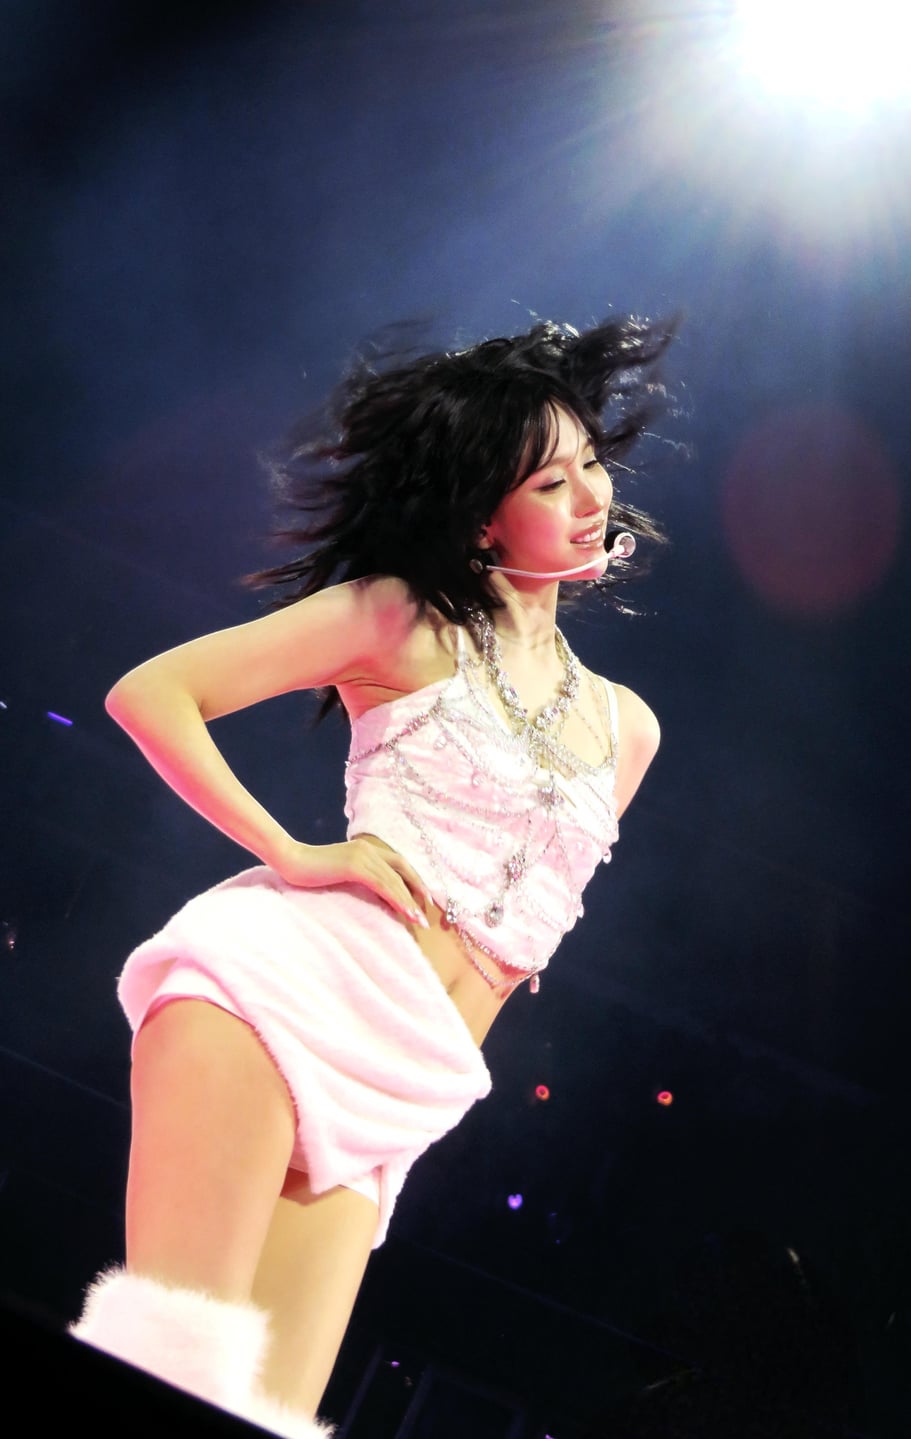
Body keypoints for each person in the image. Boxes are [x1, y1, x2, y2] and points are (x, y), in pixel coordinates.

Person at [69, 316, 675, 1437]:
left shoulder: (628, 728)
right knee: (173, 1364)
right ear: (483, 514)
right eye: (551, 480)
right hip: (270, 1003)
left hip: (397, 1088)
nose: (591, 494)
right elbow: (151, 692)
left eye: (592, 461)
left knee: (273, 1416)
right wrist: (294, 850)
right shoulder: (400, 618)